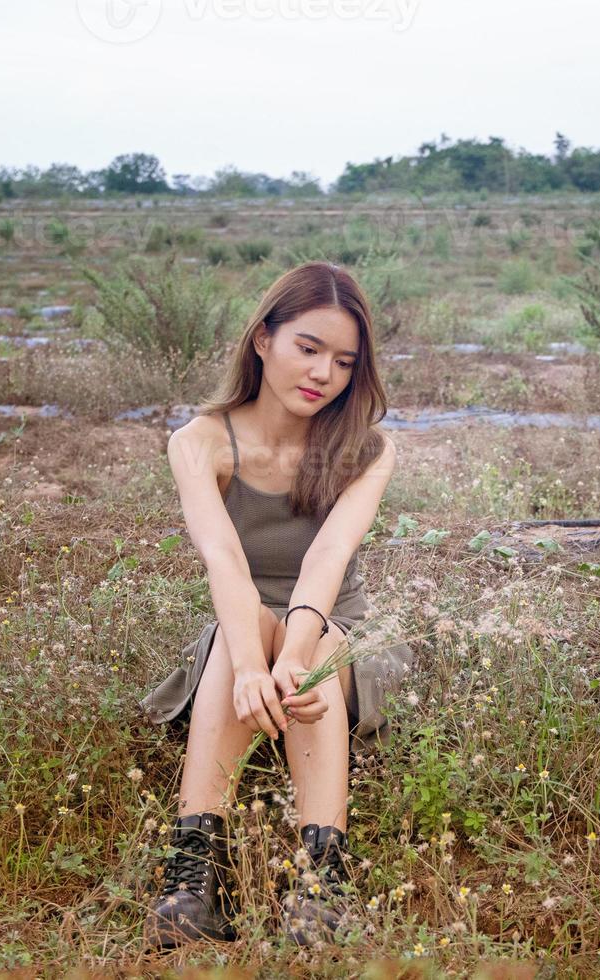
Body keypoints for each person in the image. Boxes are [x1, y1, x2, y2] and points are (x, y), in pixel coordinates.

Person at [139, 261, 413, 951]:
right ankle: (194, 876)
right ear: (263, 339)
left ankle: (321, 882)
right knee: (239, 638)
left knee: (310, 646)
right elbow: (223, 560)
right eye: (308, 348)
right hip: (240, 627)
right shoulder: (200, 441)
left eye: (344, 361)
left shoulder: (368, 449)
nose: (323, 373)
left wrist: (289, 658)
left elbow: (327, 561)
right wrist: (252, 666)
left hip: (335, 637)